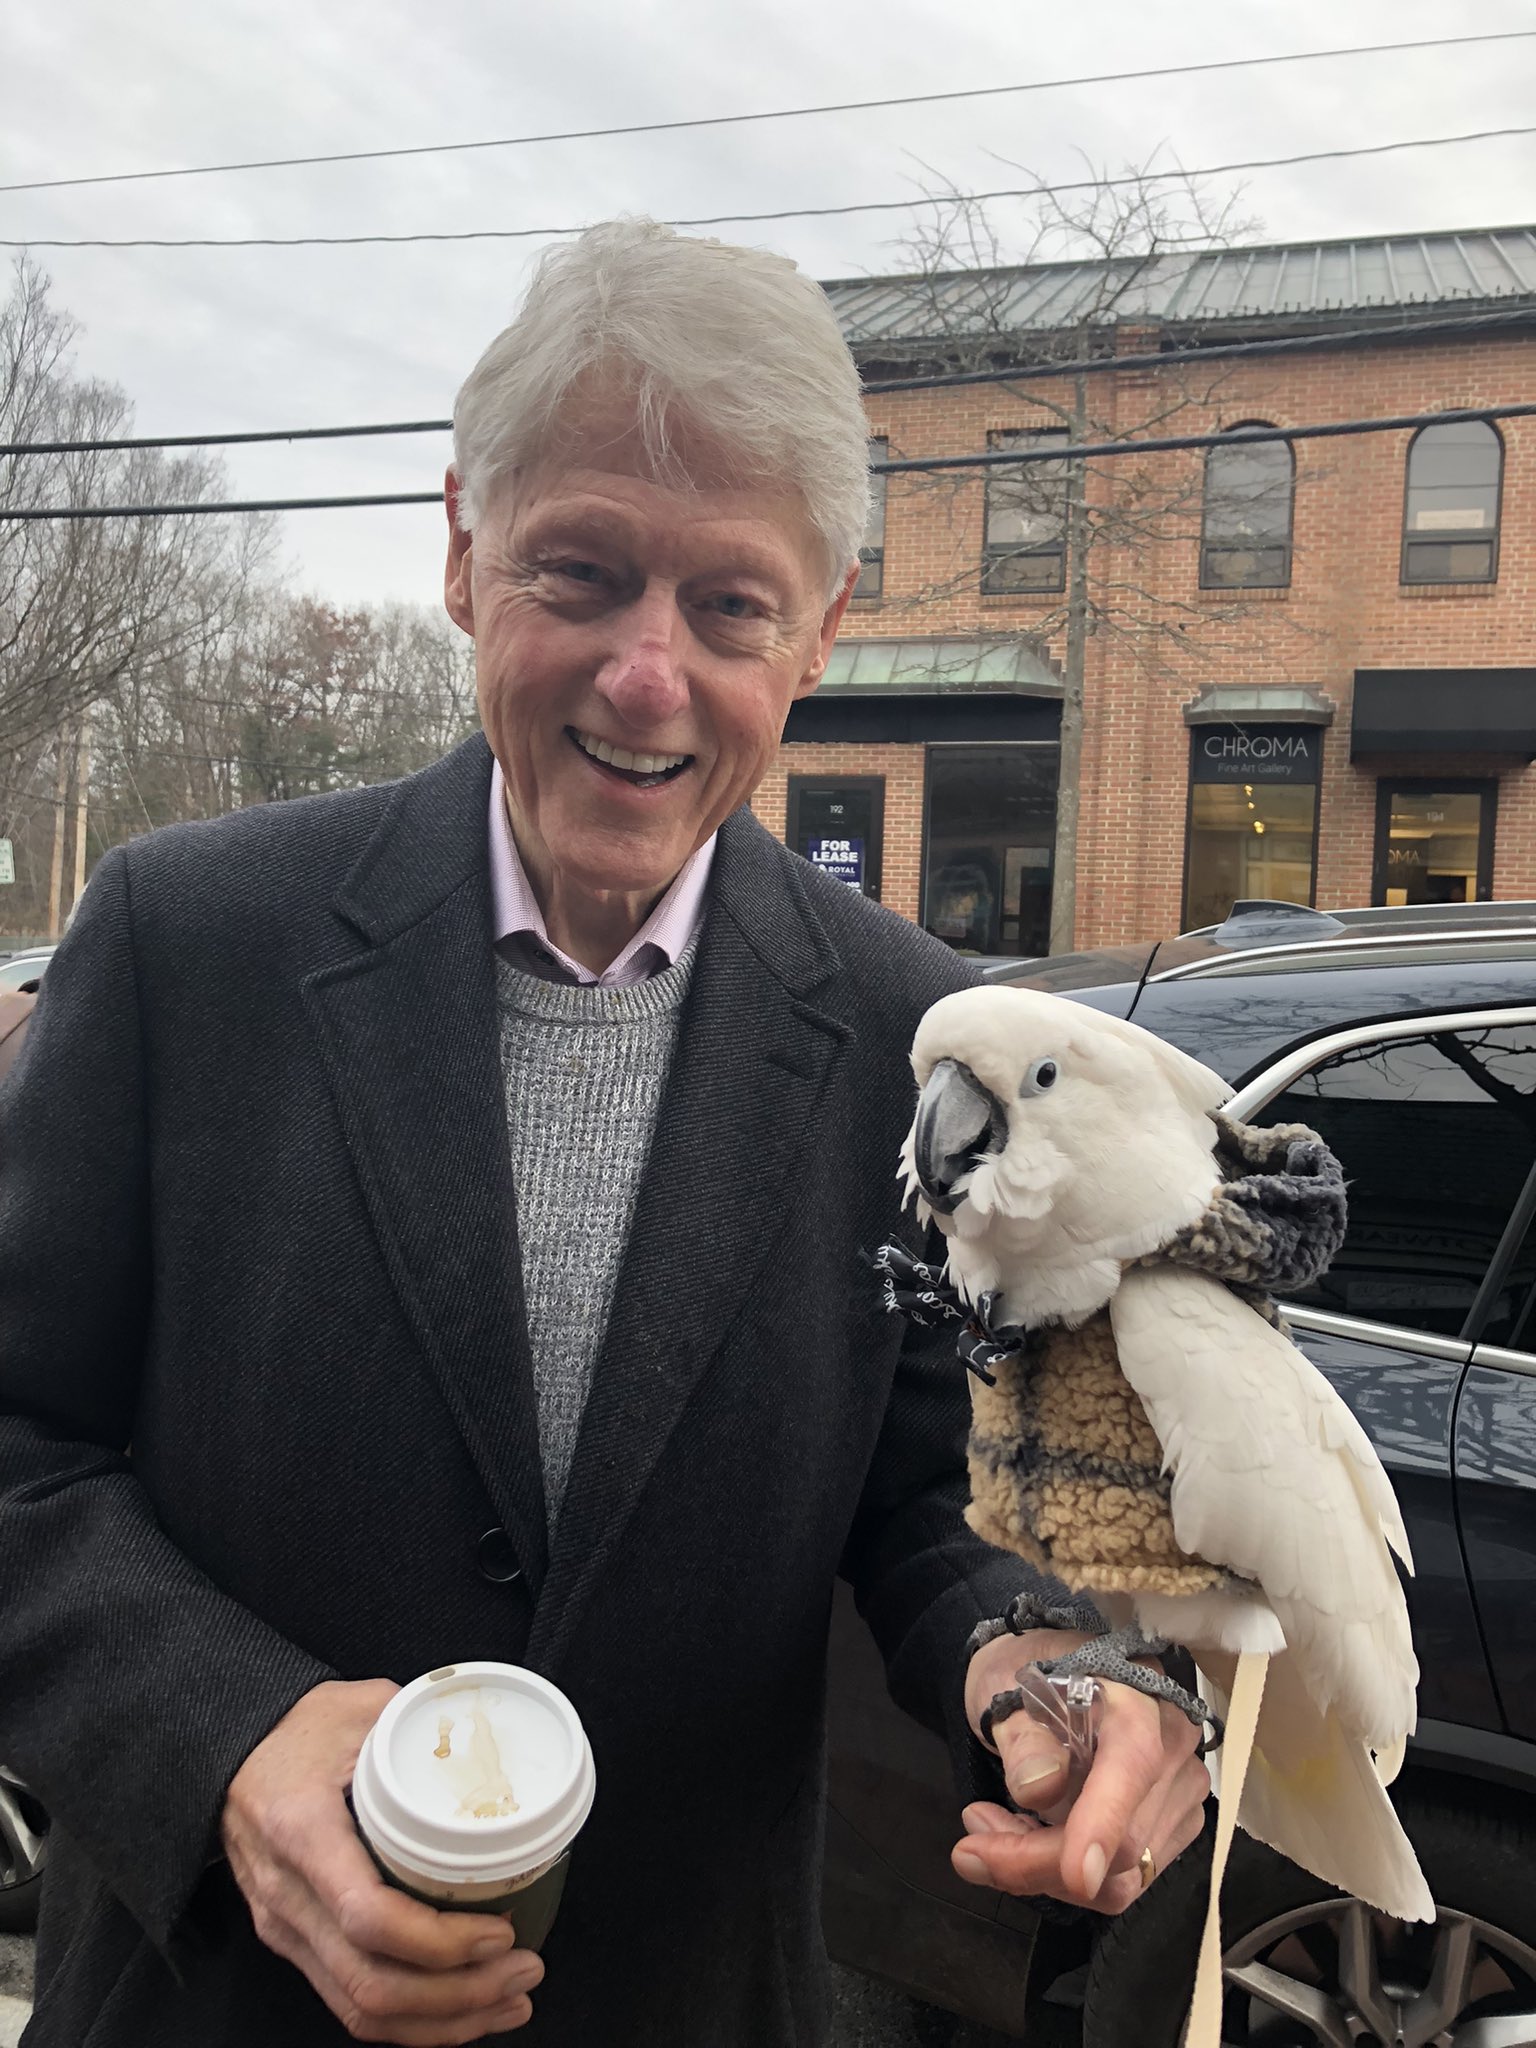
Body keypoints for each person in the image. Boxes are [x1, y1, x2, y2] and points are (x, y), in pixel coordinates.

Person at [0, 221, 1205, 2048]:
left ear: (821, 629)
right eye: (581, 572)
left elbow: (924, 1491)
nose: (650, 677)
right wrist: (224, 1737)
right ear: (467, 558)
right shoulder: (189, 942)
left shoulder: (912, 1033)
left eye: (730, 606)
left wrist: (1034, 1664)